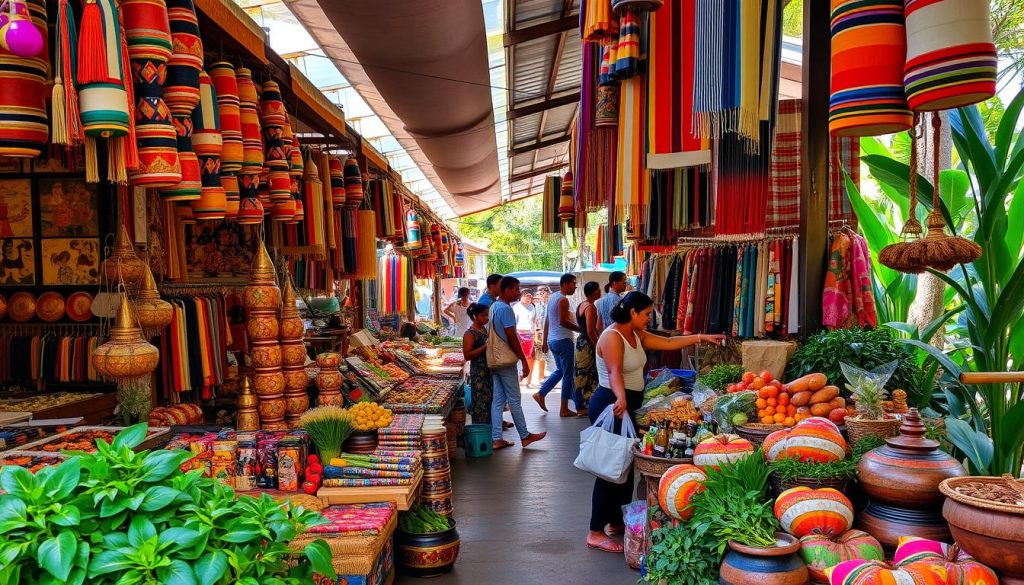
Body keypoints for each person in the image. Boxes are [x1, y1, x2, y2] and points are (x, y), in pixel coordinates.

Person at [586, 292, 725, 553]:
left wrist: (700, 337)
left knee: (626, 465)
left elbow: (667, 343)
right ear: (632, 313)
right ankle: (595, 531)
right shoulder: (611, 336)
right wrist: (620, 397)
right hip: (611, 403)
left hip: (628, 403)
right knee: (609, 468)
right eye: (647, 313)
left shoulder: (636, 335)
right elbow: (615, 371)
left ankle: (616, 520)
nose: (650, 318)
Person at [489, 276, 546, 450]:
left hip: (496, 359)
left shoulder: (494, 307)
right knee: (514, 398)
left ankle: (496, 437)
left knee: (498, 400)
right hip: (506, 360)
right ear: (506, 290)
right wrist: (523, 359)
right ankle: (524, 435)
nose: (518, 292)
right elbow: (512, 337)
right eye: (515, 289)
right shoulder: (506, 309)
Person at [534, 273, 585, 417]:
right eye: (573, 283)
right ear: (565, 284)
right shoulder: (562, 300)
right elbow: (563, 321)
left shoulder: (553, 298)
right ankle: (564, 408)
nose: (575, 286)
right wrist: (582, 330)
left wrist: (545, 341)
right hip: (563, 341)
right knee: (568, 374)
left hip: (553, 340)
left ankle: (541, 393)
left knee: (562, 371)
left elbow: (547, 321)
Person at [462, 303, 493, 425]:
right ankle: (480, 428)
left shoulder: (483, 329)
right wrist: (485, 346)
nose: (486, 318)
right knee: (480, 401)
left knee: (488, 399)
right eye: (483, 315)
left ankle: (489, 427)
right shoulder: (470, 333)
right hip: (479, 372)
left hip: (487, 370)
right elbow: (467, 355)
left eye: (487, 315)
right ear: (475, 316)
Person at [574, 282, 601, 406]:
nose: (600, 291)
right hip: (587, 343)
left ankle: (582, 403)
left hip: (581, 341)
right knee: (588, 373)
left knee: (581, 372)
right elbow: (591, 330)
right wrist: (597, 345)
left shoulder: (581, 305)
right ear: (594, 292)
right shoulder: (590, 307)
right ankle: (583, 403)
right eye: (598, 289)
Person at [512, 290, 537, 386]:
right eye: (526, 296)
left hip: (530, 335)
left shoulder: (532, 307)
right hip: (518, 334)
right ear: (521, 296)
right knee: (518, 357)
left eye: (530, 297)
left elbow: (534, 321)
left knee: (529, 357)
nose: (528, 298)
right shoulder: (516, 307)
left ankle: (528, 379)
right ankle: (518, 377)